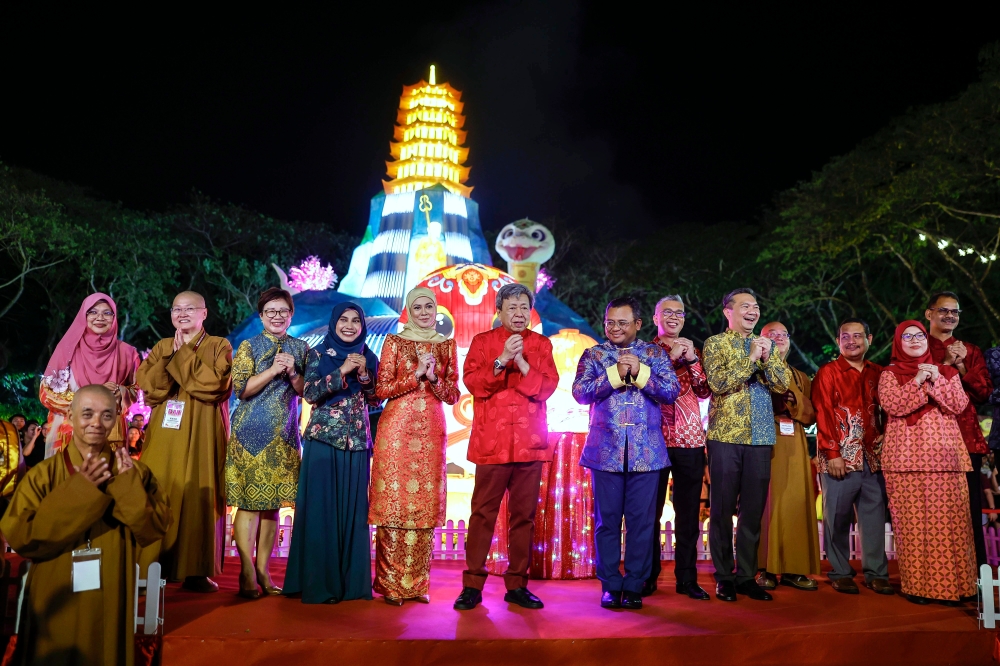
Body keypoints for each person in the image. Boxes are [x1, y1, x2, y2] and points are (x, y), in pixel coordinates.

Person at [1, 385, 170, 665]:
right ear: (70, 415)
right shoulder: (43, 474)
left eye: (106, 415)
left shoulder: (131, 471)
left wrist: (128, 489)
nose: (96, 423)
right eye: (87, 413)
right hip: (55, 593)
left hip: (110, 590)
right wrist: (80, 492)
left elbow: (155, 528)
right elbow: (19, 536)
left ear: (118, 416)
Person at [453, 283, 559, 611]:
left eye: (523, 307)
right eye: (511, 307)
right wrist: (502, 360)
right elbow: (473, 383)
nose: (518, 313)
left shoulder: (540, 345)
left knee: (523, 517)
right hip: (491, 443)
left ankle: (517, 584)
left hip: (530, 444)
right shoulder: (483, 342)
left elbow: (547, 388)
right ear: (499, 311)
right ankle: (472, 585)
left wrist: (523, 363)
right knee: (482, 514)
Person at [573, 296, 679, 610]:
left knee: (642, 524)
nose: (615, 328)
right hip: (605, 453)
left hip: (647, 455)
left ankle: (634, 585)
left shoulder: (655, 354)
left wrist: (642, 373)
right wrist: (615, 375)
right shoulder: (593, 354)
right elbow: (580, 393)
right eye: (610, 322)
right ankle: (609, 585)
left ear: (638, 324)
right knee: (606, 523)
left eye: (622, 322)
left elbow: (671, 391)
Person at [284, 302, 380, 604]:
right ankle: (320, 585)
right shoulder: (316, 353)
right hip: (323, 442)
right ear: (334, 323)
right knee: (322, 513)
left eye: (355, 321)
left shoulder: (369, 355)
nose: (350, 325)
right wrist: (342, 370)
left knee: (354, 516)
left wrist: (364, 374)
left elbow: (375, 399)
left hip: (357, 444)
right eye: (343, 320)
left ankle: (352, 585)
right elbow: (309, 393)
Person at [137, 291, 233, 593]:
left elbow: (216, 385)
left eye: (190, 308)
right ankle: (150, 568)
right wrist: (170, 356)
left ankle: (197, 570)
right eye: (177, 309)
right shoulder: (162, 346)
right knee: (157, 491)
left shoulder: (219, 345)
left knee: (199, 494)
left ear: (204, 313)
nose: (183, 314)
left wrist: (183, 357)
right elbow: (150, 388)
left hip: (203, 431)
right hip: (165, 434)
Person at [370, 287, 460, 605]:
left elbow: (453, 395)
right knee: (394, 507)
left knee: (423, 509)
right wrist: (416, 375)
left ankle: (417, 584)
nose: (424, 312)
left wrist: (434, 378)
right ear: (409, 310)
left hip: (431, 432)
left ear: (436, 310)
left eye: (429, 307)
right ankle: (390, 584)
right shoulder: (394, 342)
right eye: (417, 307)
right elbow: (381, 390)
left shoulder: (447, 346)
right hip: (396, 431)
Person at [879, 320, 976, 604]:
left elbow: (959, 405)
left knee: (952, 527)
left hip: (947, 459)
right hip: (905, 461)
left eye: (919, 335)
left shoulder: (946, 372)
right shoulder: (890, 373)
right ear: (898, 342)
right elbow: (895, 405)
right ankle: (918, 588)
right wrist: (918, 380)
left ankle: (958, 588)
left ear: (926, 339)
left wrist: (935, 379)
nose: (913, 339)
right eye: (906, 336)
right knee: (912, 528)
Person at [703, 288, 790, 602]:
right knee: (723, 509)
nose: (752, 311)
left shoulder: (768, 346)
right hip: (726, 437)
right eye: (745, 306)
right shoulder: (715, 344)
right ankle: (724, 576)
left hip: (762, 437)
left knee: (752, 512)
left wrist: (767, 358)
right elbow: (718, 383)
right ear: (728, 312)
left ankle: (746, 576)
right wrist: (750, 359)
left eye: (755, 306)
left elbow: (782, 385)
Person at [225, 288, 308, 600]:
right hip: (249, 435)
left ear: (290, 315)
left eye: (282, 311)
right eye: (270, 311)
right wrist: (273, 369)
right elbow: (241, 390)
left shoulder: (301, 348)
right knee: (248, 504)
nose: (277, 316)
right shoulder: (249, 346)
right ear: (261, 316)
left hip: (284, 438)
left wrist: (292, 372)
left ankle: (263, 569)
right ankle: (246, 571)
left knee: (272, 506)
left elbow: (305, 391)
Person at [812, 318, 893, 595]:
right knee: (837, 517)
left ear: (869, 339)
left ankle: (876, 572)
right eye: (845, 337)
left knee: (873, 518)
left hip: (874, 457)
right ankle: (840, 571)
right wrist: (832, 453)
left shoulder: (880, 373)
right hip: (839, 459)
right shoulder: (828, 372)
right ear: (838, 342)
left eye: (858, 336)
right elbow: (823, 412)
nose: (852, 341)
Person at [644, 295, 711, 600]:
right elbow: (650, 387)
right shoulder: (646, 352)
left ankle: (687, 578)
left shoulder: (693, 349)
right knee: (649, 513)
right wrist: (672, 358)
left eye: (679, 313)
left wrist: (693, 360)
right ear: (655, 317)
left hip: (690, 440)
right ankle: (647, 576)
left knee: (688, 515)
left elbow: (704, 390)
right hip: (654, 440)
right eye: (666, 313)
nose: (673, 317)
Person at [924, 291, 993, 567]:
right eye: (944, 310)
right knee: (932, 513)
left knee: (968, 512)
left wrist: (963, 364)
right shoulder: (917, 347)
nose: (950, 315)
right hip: (927, 443)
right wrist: (945, 366)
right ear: (929, 314)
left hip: (964, 441)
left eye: (955, 312)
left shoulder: (971, 351)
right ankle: (932, 576)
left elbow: (984, 392)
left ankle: (974, 578)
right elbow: (920, 390)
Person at [754, 322, 820, 591]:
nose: (779, 339)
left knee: (796, 503)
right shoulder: (754, 371)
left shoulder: (801, 375)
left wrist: (794, 401)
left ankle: (794, 569)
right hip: (764, 440)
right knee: (766, 505)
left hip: (794, 441)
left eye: (783, 335)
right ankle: (763, 568)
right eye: (772, 335)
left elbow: (810, 412)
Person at [39, 293, 141, 457]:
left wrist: (120, 392)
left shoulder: (128, 353)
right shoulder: (68, 349)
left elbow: (136, 390)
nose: (100, 317)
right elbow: (46, 393)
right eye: (92, 312)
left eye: (107, 313)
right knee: (71, 479)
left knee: (108, 479)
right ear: (83, 316)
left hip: (110, 432)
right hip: (71, 431)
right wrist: (91, 398)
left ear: (114, 317)